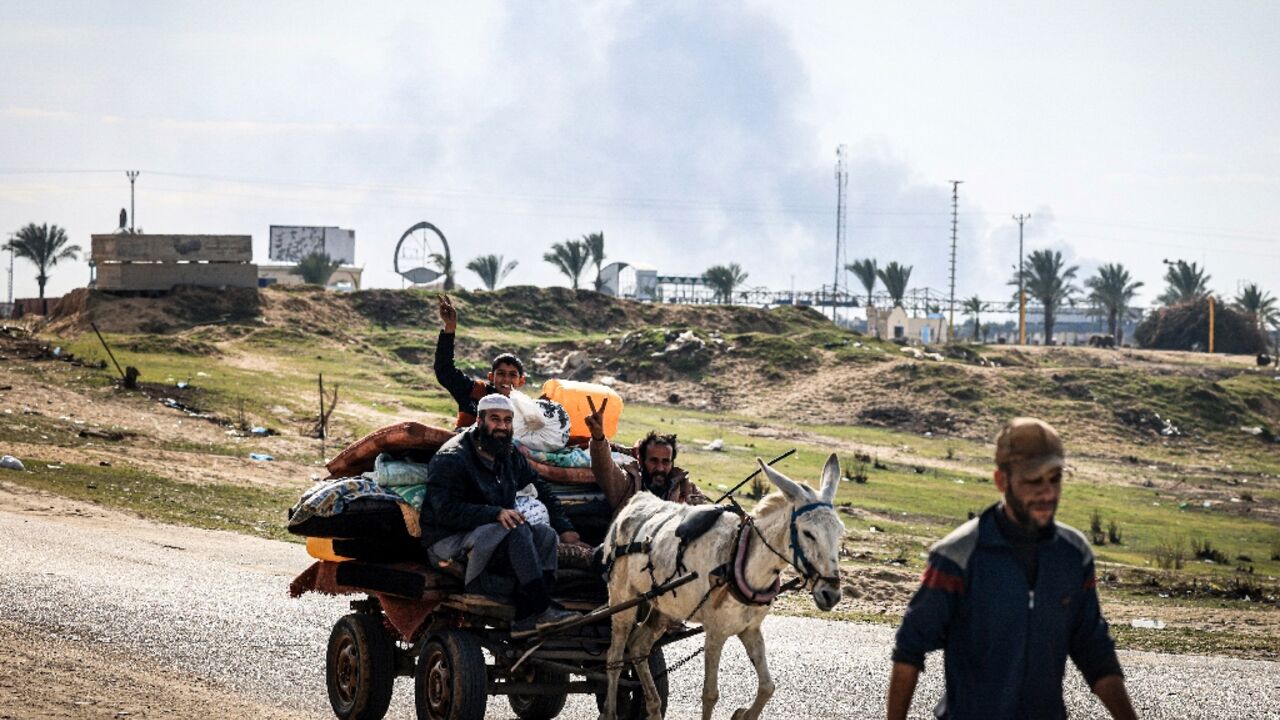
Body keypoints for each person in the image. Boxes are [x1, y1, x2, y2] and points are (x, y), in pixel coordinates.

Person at [887, 417, 1138, 720]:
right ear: (1001, 481)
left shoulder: (1074, 556)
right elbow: (908, 652)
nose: (1047, 493)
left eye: (1055, 478)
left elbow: (1095, 651)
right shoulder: (957, 556)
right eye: (1033, 481)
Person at [423, 394, 587, 632]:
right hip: (447, 541)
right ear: (480, 421)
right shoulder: (452, 458)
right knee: (516, 529)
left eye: (507, 420)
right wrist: (493, 513)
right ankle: (542, 609)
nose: (502, 426)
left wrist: (566, 529)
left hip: (491, 535)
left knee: (544, 535)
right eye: (495, 419)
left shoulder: (508, 454)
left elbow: (540, 487)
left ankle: (525, 617)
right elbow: (444, 510)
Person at [584, 396, 708, 513]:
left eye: (666, 462)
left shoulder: (685, 487)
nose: (660, 468)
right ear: (642, 461)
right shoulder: (628, 485)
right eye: (654, 461)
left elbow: (705, 513)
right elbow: (604, 468)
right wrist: (598, 437)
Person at [434, 293, 526, 430]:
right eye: (501, 373)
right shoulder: (475, 391)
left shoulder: (524, 408)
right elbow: (444, 370)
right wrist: (450, 327)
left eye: (512, 375)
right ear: (491, 377)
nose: (506, 379)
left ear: (521, 381)